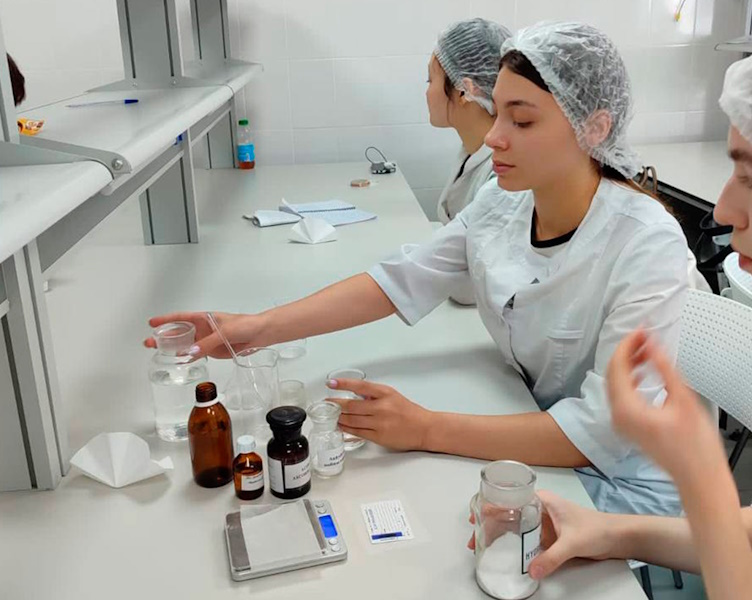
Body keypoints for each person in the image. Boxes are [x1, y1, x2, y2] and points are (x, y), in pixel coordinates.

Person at [144, 22, 689, 516]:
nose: (494, 136)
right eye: (497, 112)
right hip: (525, 433)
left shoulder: (645, 246)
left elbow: (599, 433)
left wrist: (425, 428)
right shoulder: (505, 202)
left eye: (522, 120)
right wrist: (254, 328)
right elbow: (396, 281)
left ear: (595, 128)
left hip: (617, 483)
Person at [470, 55, 752, 600]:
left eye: (747, 176)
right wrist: (607, 532)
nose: (720, 211)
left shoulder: (642, 236)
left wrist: (697, 474)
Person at [428, 18, 510, 225]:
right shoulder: (472, 148)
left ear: (464, 90)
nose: (427, 92)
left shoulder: (501, 175)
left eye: (430, 80)